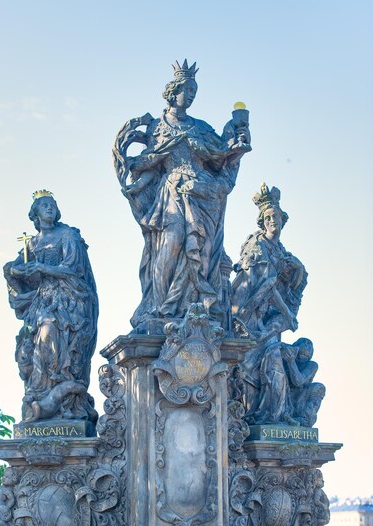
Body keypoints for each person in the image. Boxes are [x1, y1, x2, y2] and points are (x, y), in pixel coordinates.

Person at [114, 60, 251, 331]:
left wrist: (237, 135)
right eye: (187, 89)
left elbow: (220, 155)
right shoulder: (158, 126)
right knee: (172, 242)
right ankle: (157, 305)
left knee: (202, 249)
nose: (190, 95)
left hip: (202, 194)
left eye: (194, 91)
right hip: (172, 193)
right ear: (173, 91)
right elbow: (143, 163)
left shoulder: (200, 127)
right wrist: (150, 159)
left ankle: (196, 306)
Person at [3, 190, 98, 423]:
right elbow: (14, 268)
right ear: (35, 215)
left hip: (69, 299)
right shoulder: (32, 242)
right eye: (44, 205)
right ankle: (39, 393)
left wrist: (41, 269)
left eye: (52, 204)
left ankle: (63, 391)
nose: (49, 207)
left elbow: (73, 270)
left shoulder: (67, 235)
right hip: (43, 300)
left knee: (49, 331)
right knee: (32, 343)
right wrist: (15, 270)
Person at [231, 184, 307, 424]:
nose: (273, 221)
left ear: (283, 221)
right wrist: (287, 315)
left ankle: (274, 416)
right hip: (248, 317)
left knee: (274, 361)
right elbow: (267, 285)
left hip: (268, 319)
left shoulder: (280, 251)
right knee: (248, 369)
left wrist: (298, 272)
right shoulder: (257, 246)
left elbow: (288, 283)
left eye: (276, 217)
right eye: (268, 217)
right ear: (263, 222)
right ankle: (255, 418)